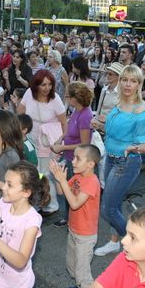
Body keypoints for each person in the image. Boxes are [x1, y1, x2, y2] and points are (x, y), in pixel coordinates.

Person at [94, 65, 145, 257]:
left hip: (126, 163)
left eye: (133, 81)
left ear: (139, 84)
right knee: (115, 205)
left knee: (108, 210)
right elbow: (115, 132)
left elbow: (144, 146)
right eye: (125, 79)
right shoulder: (119, 103)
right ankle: (114, 242)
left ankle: (135, 243)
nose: (128, 84)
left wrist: (130, 148)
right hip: (110, 158)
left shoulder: (140, 110)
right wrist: (101, 124)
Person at [49, 145, 101, 288]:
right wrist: (59, 178)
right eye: (74, 157)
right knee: (71, 265)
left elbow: (74, 203)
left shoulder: (92, 182)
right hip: (73, 230)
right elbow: (61, 192)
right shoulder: (78, 176)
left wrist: (63, 181)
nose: (73, 161)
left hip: (85, 236)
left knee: (82, 275)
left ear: (91, 164)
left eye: (78, 158)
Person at [17, 70, 67, 215]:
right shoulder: (28, 94)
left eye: (50, 84)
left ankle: (51, 205)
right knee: (34, 173)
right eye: (43, 84)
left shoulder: (55, 99)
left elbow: (64, 123)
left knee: (43, 174)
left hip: (48, 143)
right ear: (35, 84)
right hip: (30, 140)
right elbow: (20, 112)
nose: (47, 88)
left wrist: (60, 141)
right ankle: (39, 202)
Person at [50, 82, 94, 227]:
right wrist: (62, 137)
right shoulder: (77, 110)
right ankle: (67, 217)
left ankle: (73, 221)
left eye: (68, 96)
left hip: (76, 160)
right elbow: (70, 130)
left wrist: (62, 146)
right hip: (69, 156)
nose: (66, 99)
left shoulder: (85, 115)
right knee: (66, 188)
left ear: (76, 98)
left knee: (72, 191)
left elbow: (85, 144)